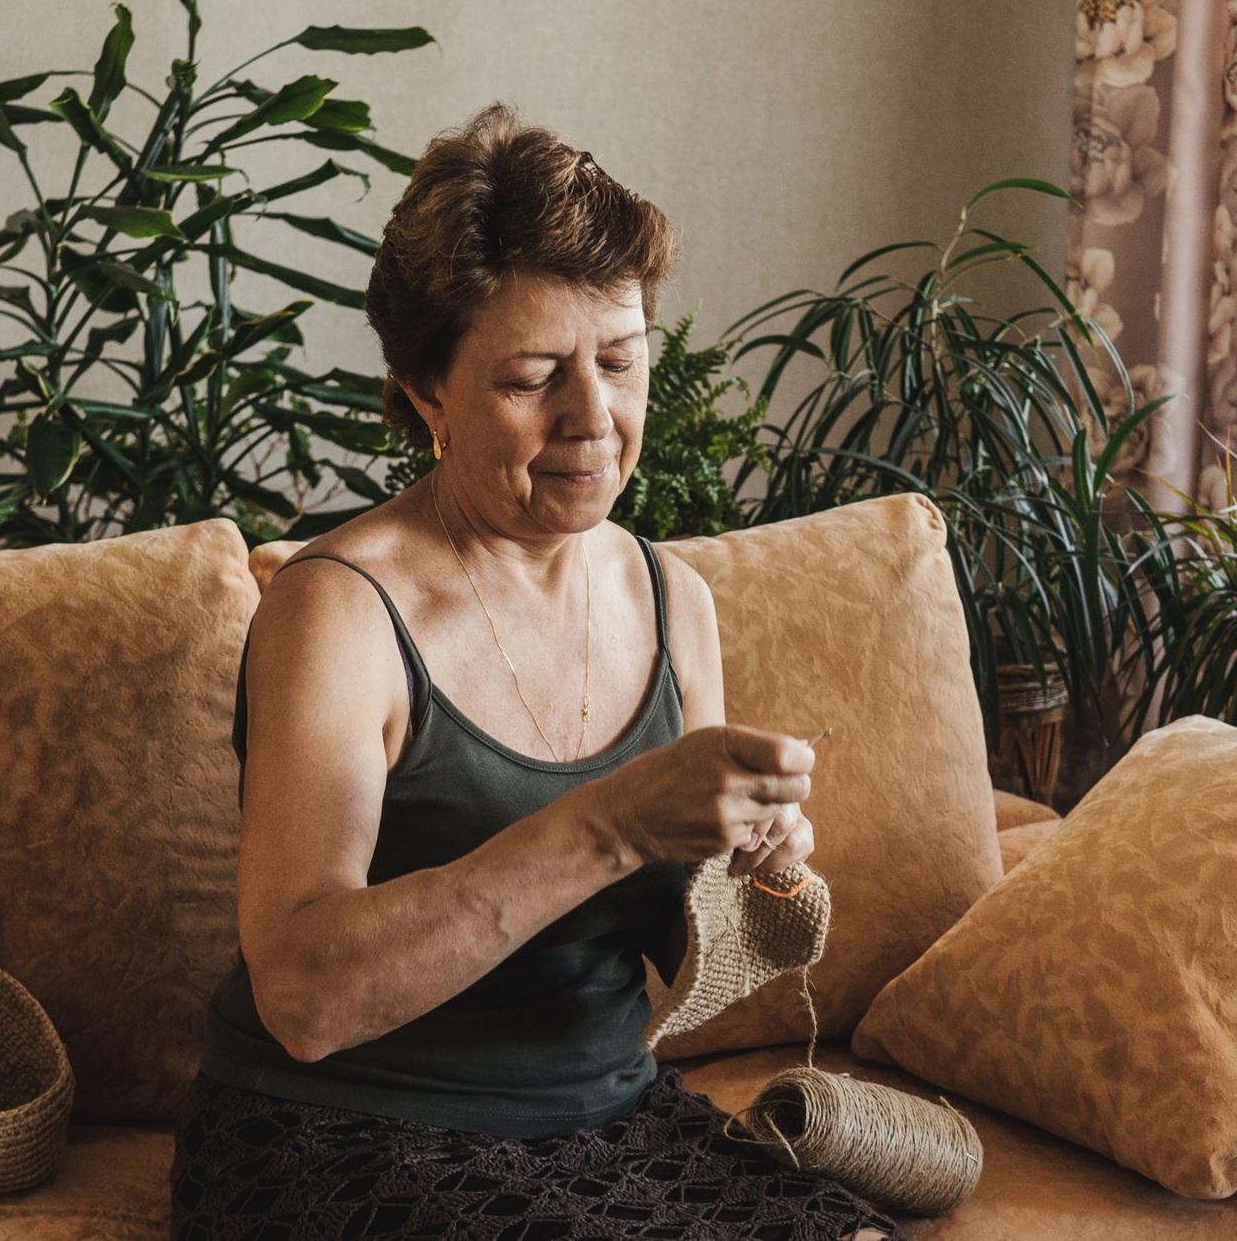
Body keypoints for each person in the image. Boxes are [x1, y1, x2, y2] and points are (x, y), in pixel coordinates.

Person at [170, 104, 896, 1241]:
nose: (592, 419)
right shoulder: (339, 612)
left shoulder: (675, 604)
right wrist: (608, 822)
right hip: (344, 1130)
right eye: (529, 378)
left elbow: (670, 951)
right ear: (425, 396)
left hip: (607, 1122)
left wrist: (748, 869)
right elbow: (305, 999)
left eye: (618, 360)